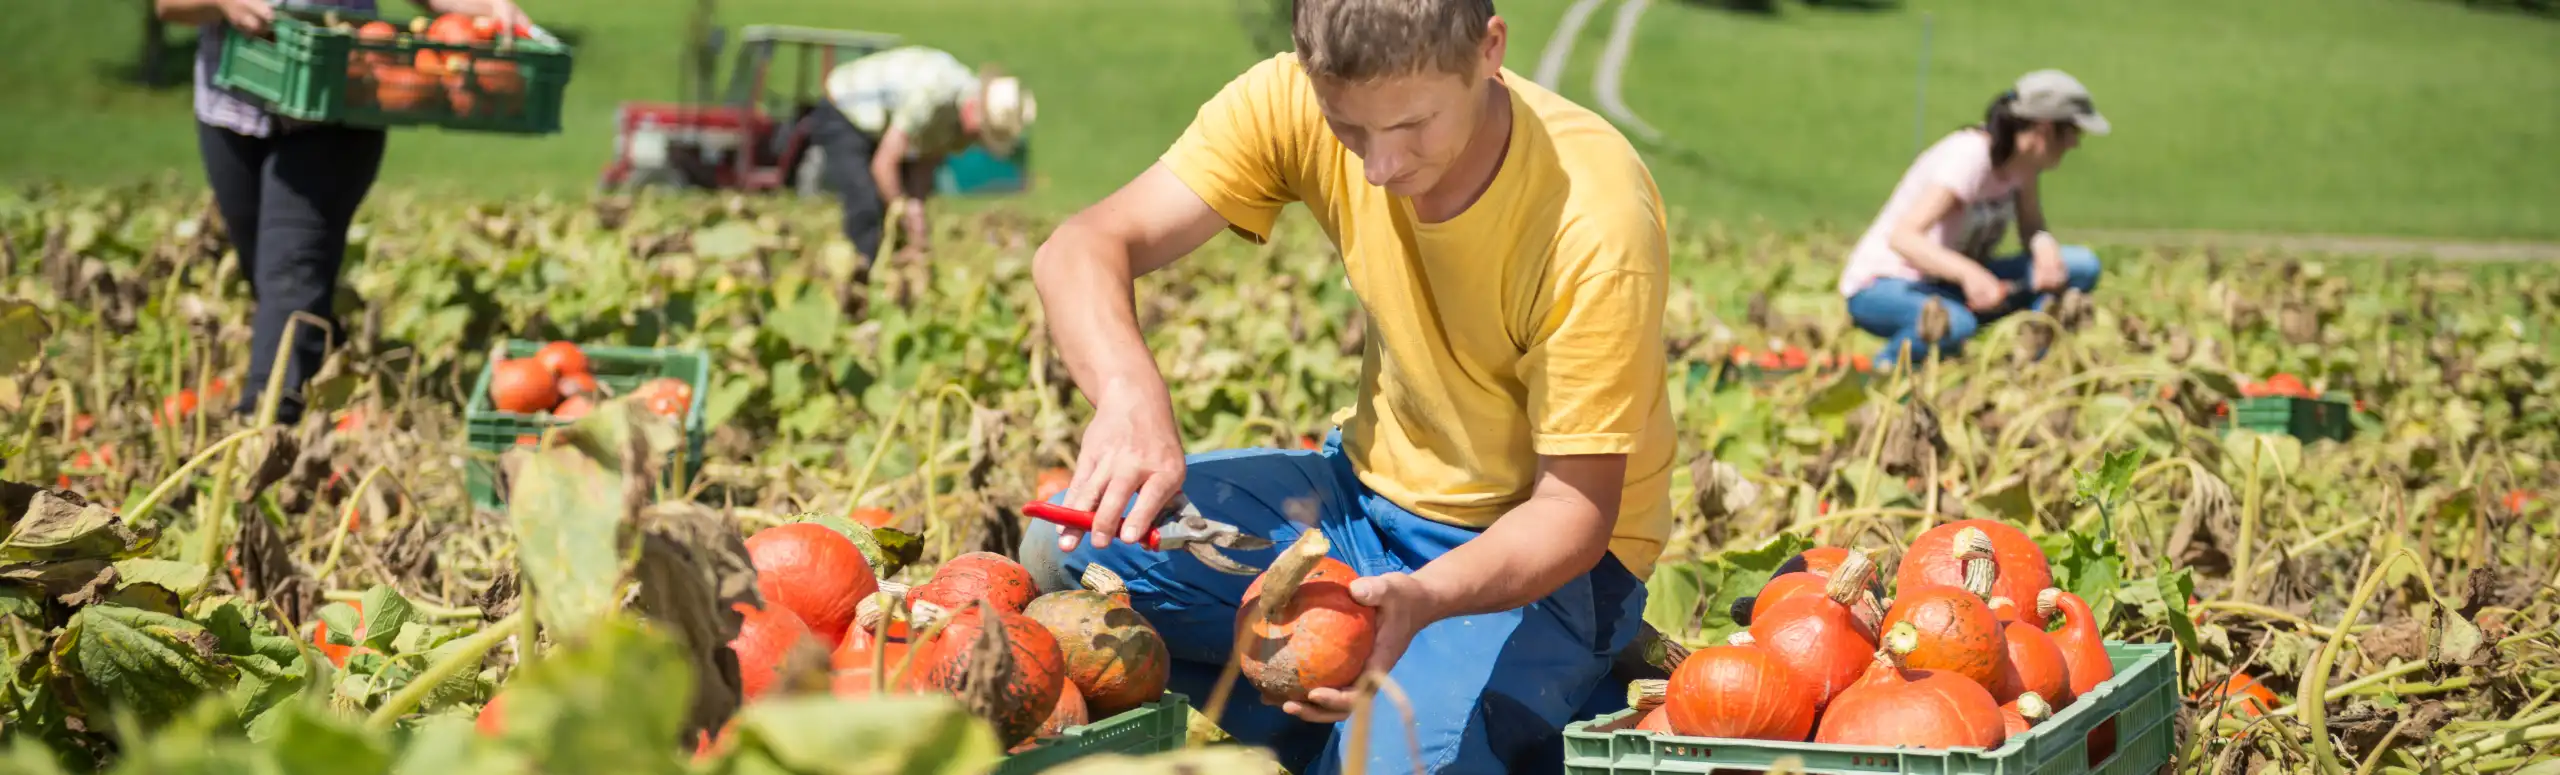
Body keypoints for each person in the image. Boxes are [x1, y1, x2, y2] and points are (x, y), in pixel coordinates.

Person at [1016, 0, 1674, 772]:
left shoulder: (1592, 217)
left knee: (1382, 763)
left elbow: (1574, 511)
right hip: (1360, 500)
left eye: (1412, 127)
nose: (1379, 167)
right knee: (1066, 554)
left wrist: (1425, 599)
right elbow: (1083, 247)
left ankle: (1562, 689)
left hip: (1542, 560)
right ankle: (1340, 724)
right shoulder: (1293, 95)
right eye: (1349, 128)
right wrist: (1129, 394)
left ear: (1490, 50)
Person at [157, 0, 533, 424]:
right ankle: (331, 377)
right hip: (231, 105)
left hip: (340, 105)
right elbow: (168, 7)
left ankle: (263, 427)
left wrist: (491, 8)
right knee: (264, 270)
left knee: (292, 272)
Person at [1839, 69, 2111, 370]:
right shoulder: (1970, 157)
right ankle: (1885, 371)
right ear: (2045, 129)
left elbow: (2032, 227)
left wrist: (2044, 248)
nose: (2075, 143)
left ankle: (2031, 364)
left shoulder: (2025, 166)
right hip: (1886, 285)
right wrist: (1970, 275)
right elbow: (1903, 237)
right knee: (1954, 324)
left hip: (1949, 284)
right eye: (2073, 132)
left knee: (2081, 266)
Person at [809, 45, 1036, 276]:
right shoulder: (934, 95)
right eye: (980, 134)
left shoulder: (954, 123)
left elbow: (924, 163)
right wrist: (901, 210)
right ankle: (860, 277)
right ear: (974, 109)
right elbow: (884, 163)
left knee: (897, 205)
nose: (974, 142)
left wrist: (916, 221)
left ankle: (895, 274)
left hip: (882, 126)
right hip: (846, 108)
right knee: (867, 202)